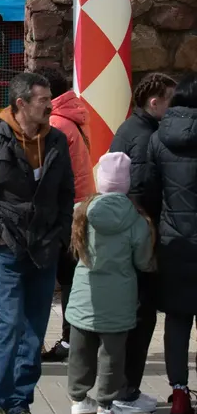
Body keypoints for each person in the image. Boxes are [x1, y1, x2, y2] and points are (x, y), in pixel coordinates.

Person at [0, 71, 75, 414]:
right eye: (43, 100)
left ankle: (20, 400)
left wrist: (62, 233)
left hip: (45, 248)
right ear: (21, 103)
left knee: (35, 332)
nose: (50, 105)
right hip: (6, 248)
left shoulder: (56, 141)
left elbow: (67, 192)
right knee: (8, 326)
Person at [66, 152, 155, 414]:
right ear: (125, 184)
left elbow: (74, 250)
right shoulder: (137, 220)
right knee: (112, 356)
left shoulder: (81, 212)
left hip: (85, 298)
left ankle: (79, 400)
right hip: (119, 301)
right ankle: (106, 403)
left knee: (80, 353)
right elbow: (142, 261)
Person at [110, 72, 176, 412]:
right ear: (155, 102)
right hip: (141, 236)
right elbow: (147, 188)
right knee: (140, 314)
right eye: (170, 100)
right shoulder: (148, 136)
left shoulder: (128, 129)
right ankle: (124, 391)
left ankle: (126, 388)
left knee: (136, 313)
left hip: (129, 236)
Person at [142, 73, 197, 414]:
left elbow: (149, 193)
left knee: (178, 320)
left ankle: (179, 394)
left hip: (174, 244)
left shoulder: (158, 139)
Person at [34, 66, 95, 364]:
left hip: (67, 209)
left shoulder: (56, 123)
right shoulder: (73, 117)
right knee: (71, 277)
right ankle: (73, 340)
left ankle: (70, 342)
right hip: (82, 204)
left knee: (63, 278)